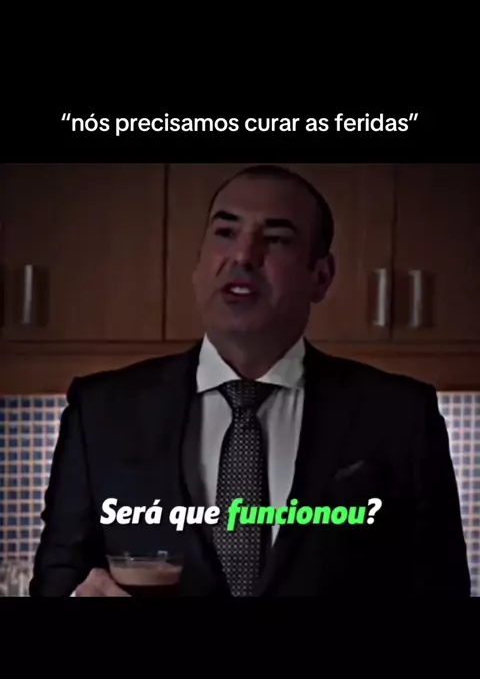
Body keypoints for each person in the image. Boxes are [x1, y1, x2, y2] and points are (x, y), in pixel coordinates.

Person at [29, 164, 471, 597]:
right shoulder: (102, 412)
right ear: (199, 265)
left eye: (276, 239)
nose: (243, 256)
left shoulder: (400, 418)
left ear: (320, 277)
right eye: (226, 232)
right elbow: (57, 578)